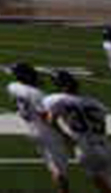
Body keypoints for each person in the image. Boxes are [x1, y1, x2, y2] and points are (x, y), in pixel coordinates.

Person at [45, 70, 111, 193]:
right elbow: (102, 125)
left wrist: (65, 136)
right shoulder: (95, 103)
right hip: (107, 146)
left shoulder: (55, 99)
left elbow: (50, 120)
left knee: (96, 177)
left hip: (85, 147)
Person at [8, 62, 71, 193]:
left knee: (53, 165)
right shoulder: (37, 94)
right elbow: (46, 117)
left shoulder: (12, 87)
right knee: (61, 170)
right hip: (46, 132)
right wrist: (63, 134)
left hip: (31, 129)